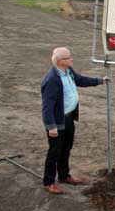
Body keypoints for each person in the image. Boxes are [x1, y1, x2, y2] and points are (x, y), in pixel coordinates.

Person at [41, 47, 110, 194]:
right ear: (60, 62)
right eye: (69, 57)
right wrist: (51, 126)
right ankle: (48, 182)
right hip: (57, 122)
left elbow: (81, 80)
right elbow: (47, 106)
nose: (72, 59)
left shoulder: (68, 72)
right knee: (54, 151)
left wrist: (100, 81)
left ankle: (64, 175)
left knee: (66, 148)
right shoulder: (52, 79)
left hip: (69, 117)